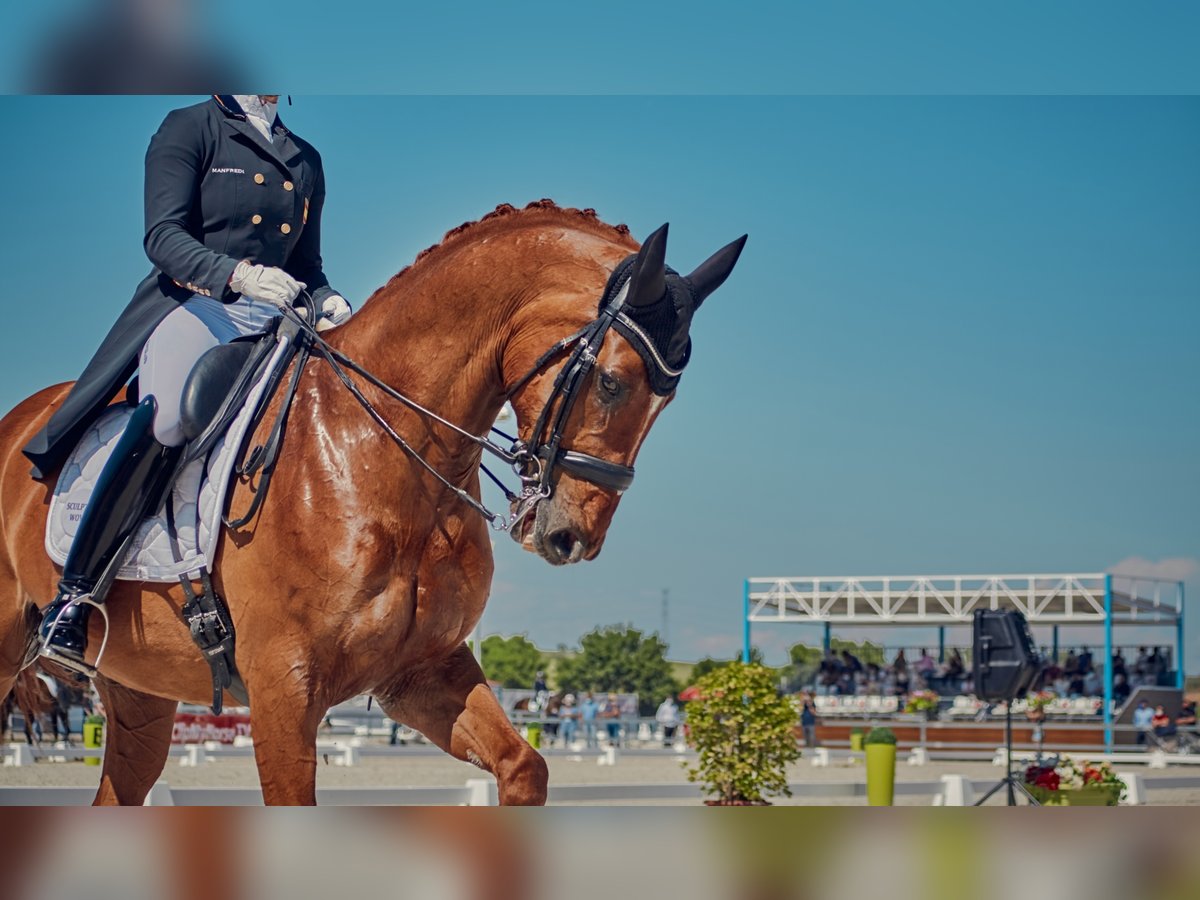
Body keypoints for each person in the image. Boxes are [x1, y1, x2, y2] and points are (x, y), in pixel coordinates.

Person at [25, 95, 351, 675]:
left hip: (277, 315)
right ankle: (73, 597)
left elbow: (307, 262)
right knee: (170, 415)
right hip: (201, 305)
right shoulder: (192, 126)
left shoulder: (304, 157)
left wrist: (326, 298)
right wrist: (237, 275)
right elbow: (163, 236)